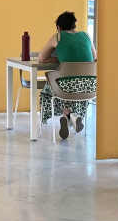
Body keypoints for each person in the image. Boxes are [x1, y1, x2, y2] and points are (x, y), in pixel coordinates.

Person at [37, 11, 96, 139]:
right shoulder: (86, 35)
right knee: (66, 88)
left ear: (59, 27)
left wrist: (61, 60)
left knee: (48, 91)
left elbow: (41, 58)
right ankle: (71, 116)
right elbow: (94, 58)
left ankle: (68, 114)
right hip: (90, 86)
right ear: (74, 25)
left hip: (67, 87)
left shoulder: (58, 36)